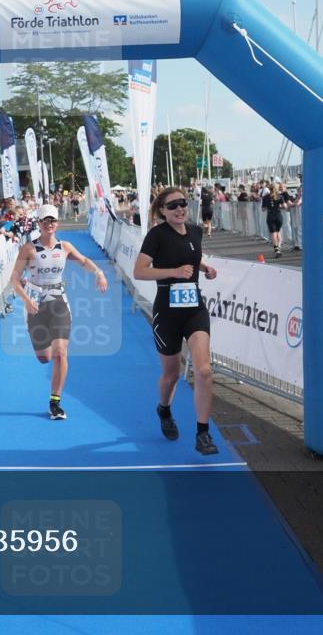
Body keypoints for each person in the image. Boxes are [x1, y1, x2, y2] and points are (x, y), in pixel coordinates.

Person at [133, 188, 220, 455]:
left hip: (194, 308)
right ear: (162, 211)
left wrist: (204, 268)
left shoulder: (195, 231)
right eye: (173, 206)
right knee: (171, 374)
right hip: (167, 312)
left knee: (204, 371)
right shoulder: (156, 235)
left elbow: (190, 254)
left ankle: (203, 434)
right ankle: (164, 409)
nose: (180, 209)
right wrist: (174, 272)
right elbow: (139, 271)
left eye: (183, 203)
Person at [9, 204, 108, 419]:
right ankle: (42, 351)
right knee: (44, 357)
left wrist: (99, 273)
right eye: (45, 221)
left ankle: (55, 402)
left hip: (59, 302)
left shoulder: (64, 247)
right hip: (35, 304)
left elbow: (84, 261)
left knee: (60, 352)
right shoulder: (28, 249)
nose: (49, 224)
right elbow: (14, 280)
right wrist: (26, 300)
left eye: (52, 220)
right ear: (39, 224)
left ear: (57, 223)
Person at [261, 183, 290, 256]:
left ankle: (277, 250)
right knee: (278, 232)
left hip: (270, 216)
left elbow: (263, 209)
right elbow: (285, 206)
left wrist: (269, 206)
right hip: (278, 215)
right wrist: (279, 206)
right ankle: (279, 248)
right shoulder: (280, 196)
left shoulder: (265, 197)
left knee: (273, 234)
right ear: (276, 188)